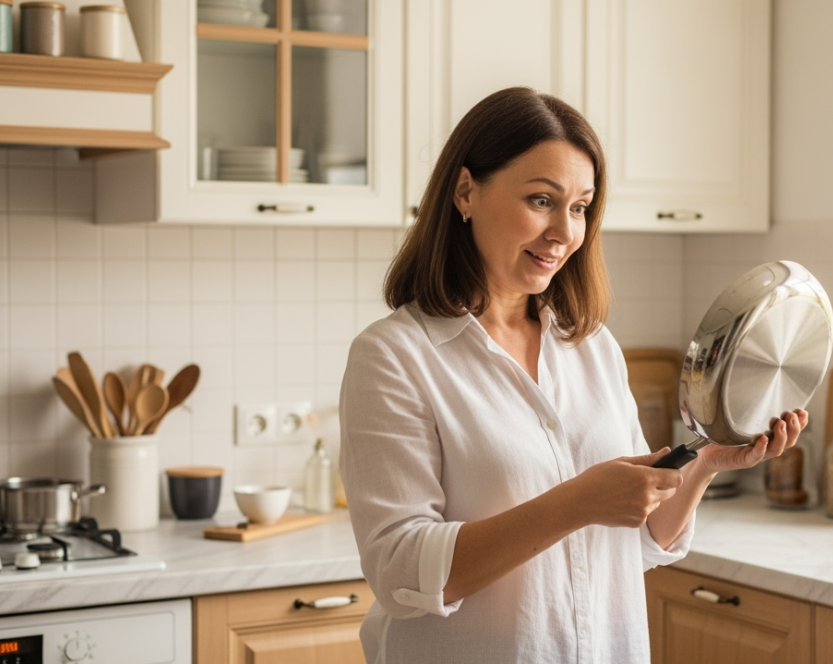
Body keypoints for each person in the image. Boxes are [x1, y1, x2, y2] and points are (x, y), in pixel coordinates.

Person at [339, 87, 805, 663]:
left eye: (580, 207)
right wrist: (574, 504)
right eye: (541, 199)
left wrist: (706, 461)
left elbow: (636, 538)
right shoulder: (394, 356)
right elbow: (400, 571)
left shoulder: (591, 348)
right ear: (465, 191)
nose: (565, 231)